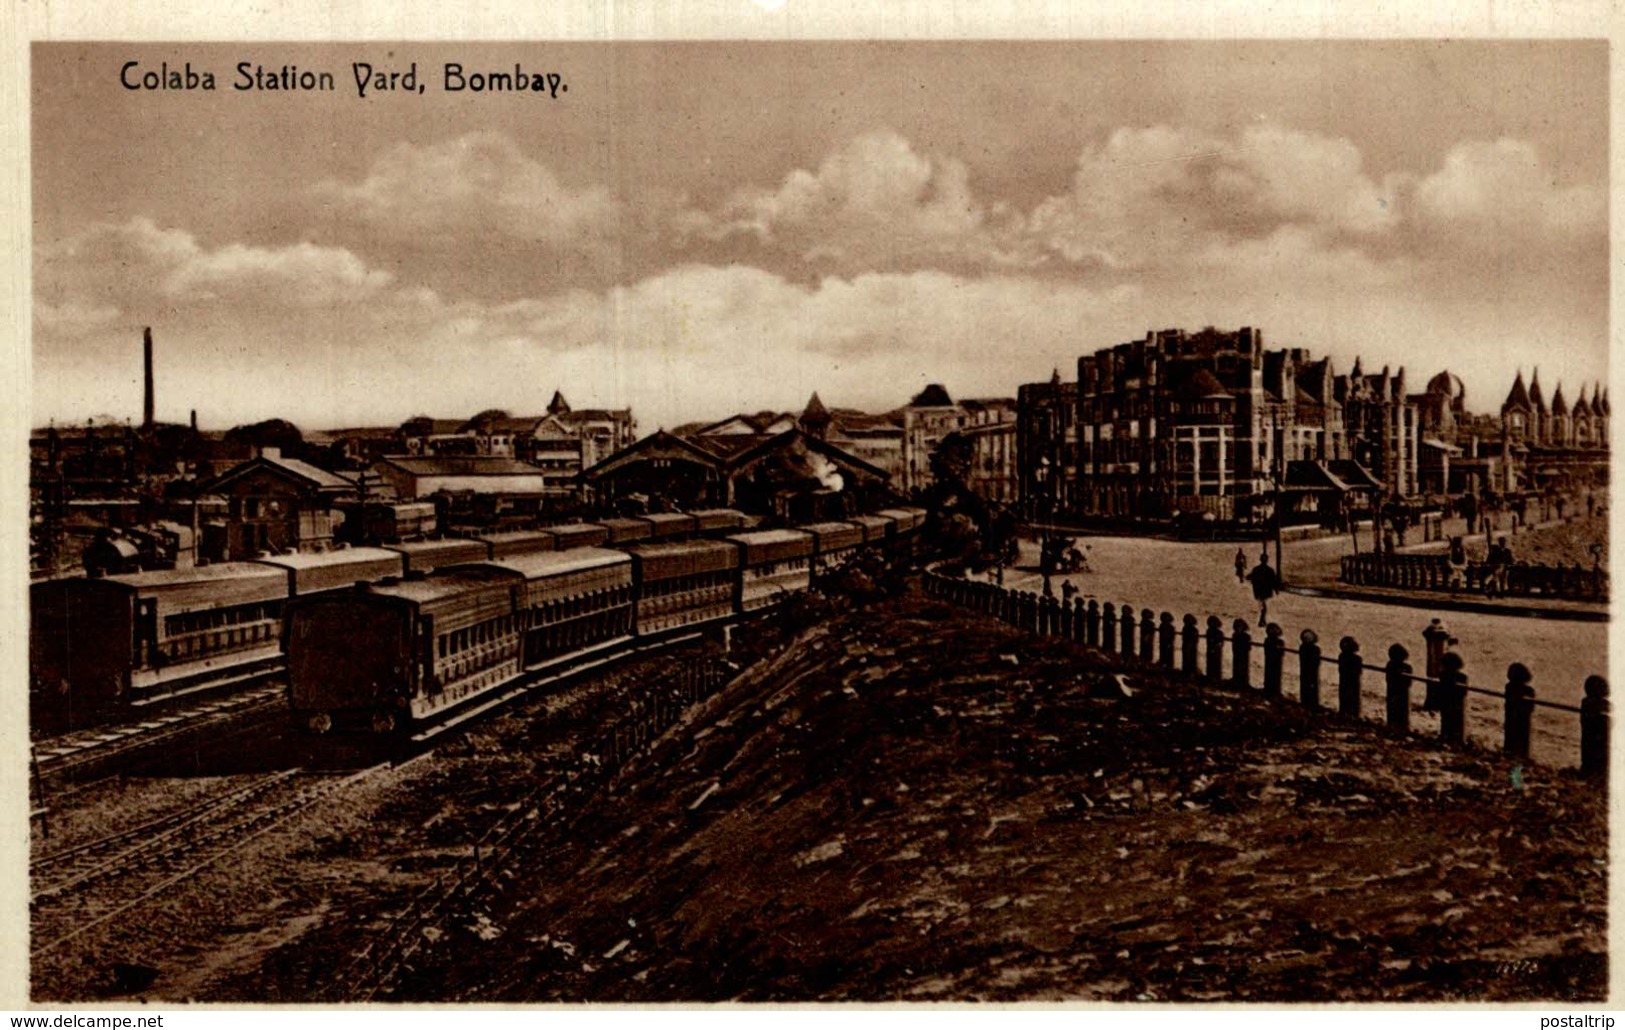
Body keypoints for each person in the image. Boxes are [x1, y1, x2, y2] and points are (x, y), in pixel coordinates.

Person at [1246, 553, 1279, 627]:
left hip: (1258, 591)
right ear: (1267, 560)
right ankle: (1262, 619)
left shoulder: (1256, 569)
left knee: (1262, 604)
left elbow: (1249, 577)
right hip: (1266, 591)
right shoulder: (1270, 570)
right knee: (1264, 605)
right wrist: (1276, 589)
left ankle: (1262, 619)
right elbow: (1273, 581)